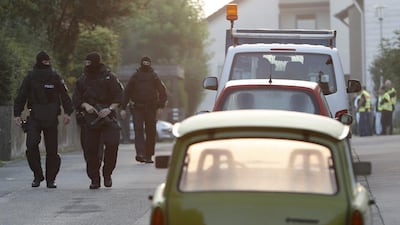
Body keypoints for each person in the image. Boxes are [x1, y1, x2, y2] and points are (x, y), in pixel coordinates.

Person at [13, 51, 73, 188]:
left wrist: (68, 112)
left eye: (48, 61)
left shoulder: (54, 76)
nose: (47, 64)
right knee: (31, 146)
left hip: (51, 118)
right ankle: (37, 175)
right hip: (35, 117)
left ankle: (50, 179)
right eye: (44, 62)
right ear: (39, 61)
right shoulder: (31, 77)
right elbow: (21, 95)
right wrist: (17, 114)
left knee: (52, 150)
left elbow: (64, 95)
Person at [72, 52, 123, 189]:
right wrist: (85, 105)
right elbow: (76, 98)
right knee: (91, 150)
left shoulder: (109, 77)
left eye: (89, 62)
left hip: (108, 117)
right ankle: (95, 179)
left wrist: (110, 108)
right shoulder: (82, 79)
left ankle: (107, 174)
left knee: (113, 144)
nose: (87, 65)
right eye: (86, 63)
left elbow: (120, 95)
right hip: (91, 119)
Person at [120, 56, 167, 164]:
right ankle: (140, 153)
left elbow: (162, 92)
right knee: (138, 130)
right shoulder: (135, 77)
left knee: (151, 131)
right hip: (138, 107)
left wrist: (160, 106)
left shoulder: (154, 77)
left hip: (151, 107)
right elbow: (127, 92)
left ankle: (148, 155)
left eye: (147, 62)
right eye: (144, 62)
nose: (145, 64)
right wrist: (123, 107)